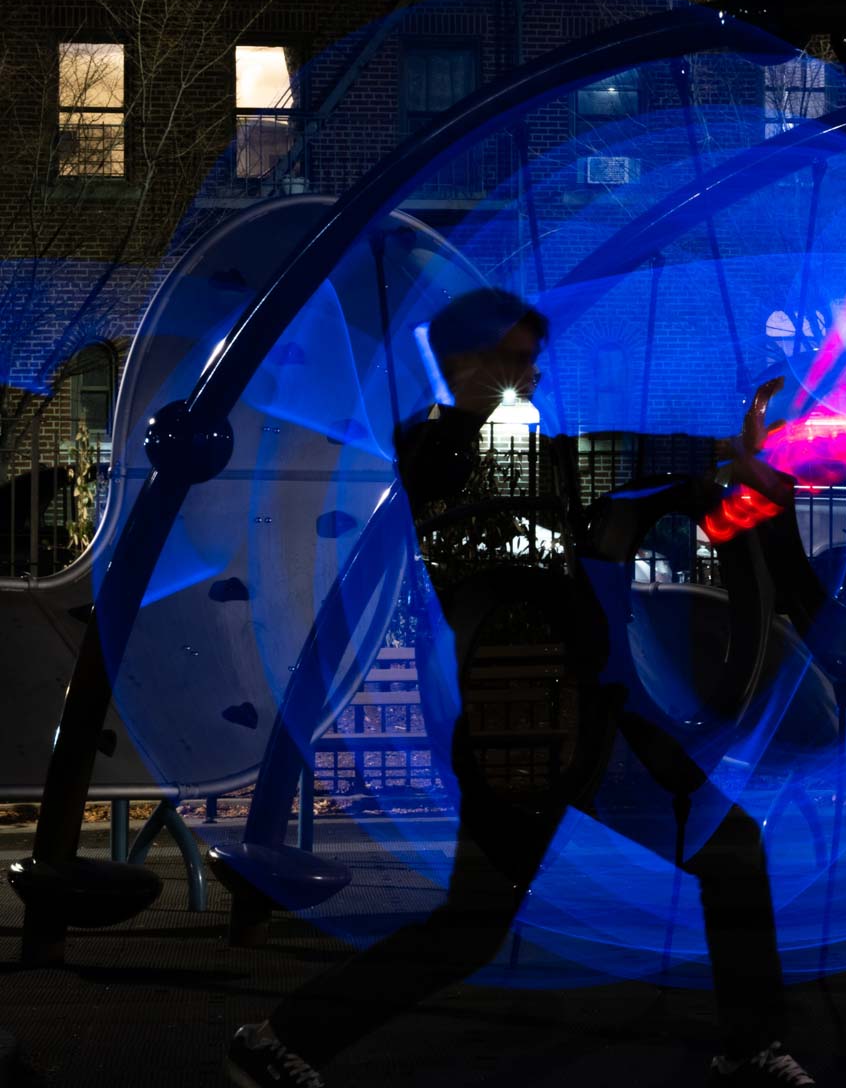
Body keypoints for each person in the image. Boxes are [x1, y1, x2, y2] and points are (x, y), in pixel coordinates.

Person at [227, 289, 815, 1088]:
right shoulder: (439, 451)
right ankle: (282, 1035)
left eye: (531, 358)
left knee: (724, 849)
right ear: (462, 364)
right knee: (476, 925)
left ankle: (750, 1047)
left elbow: (601, 506)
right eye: (512, 357)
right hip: (522, 733)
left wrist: (711, 474)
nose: (529, 373)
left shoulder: (518, 465)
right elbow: (586, 464)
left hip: (573, 722)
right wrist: (708, 455)